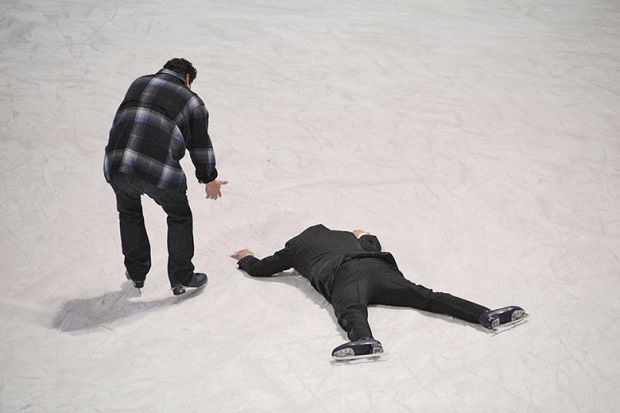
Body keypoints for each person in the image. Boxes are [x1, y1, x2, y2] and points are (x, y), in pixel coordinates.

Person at [231, 224, 527, 360]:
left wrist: (246, 257)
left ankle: (363, 339)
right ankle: (485, 314)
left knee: (350, 309)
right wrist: (364, 235)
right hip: (376, 266)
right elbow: (374, 246)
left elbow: (262, 268)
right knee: (429, 297)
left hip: (343, 275)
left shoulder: (293, 249)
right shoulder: (343, 235)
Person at [105, 58, 227, 296]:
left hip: (117, 163)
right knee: (179, 215)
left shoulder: (138, 83)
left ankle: (137, 274)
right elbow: (200, 145)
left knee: (129, 213)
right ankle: (181, 277)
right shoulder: (192, 100)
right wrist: (208, 178)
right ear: (188, 79)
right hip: (156, 169)